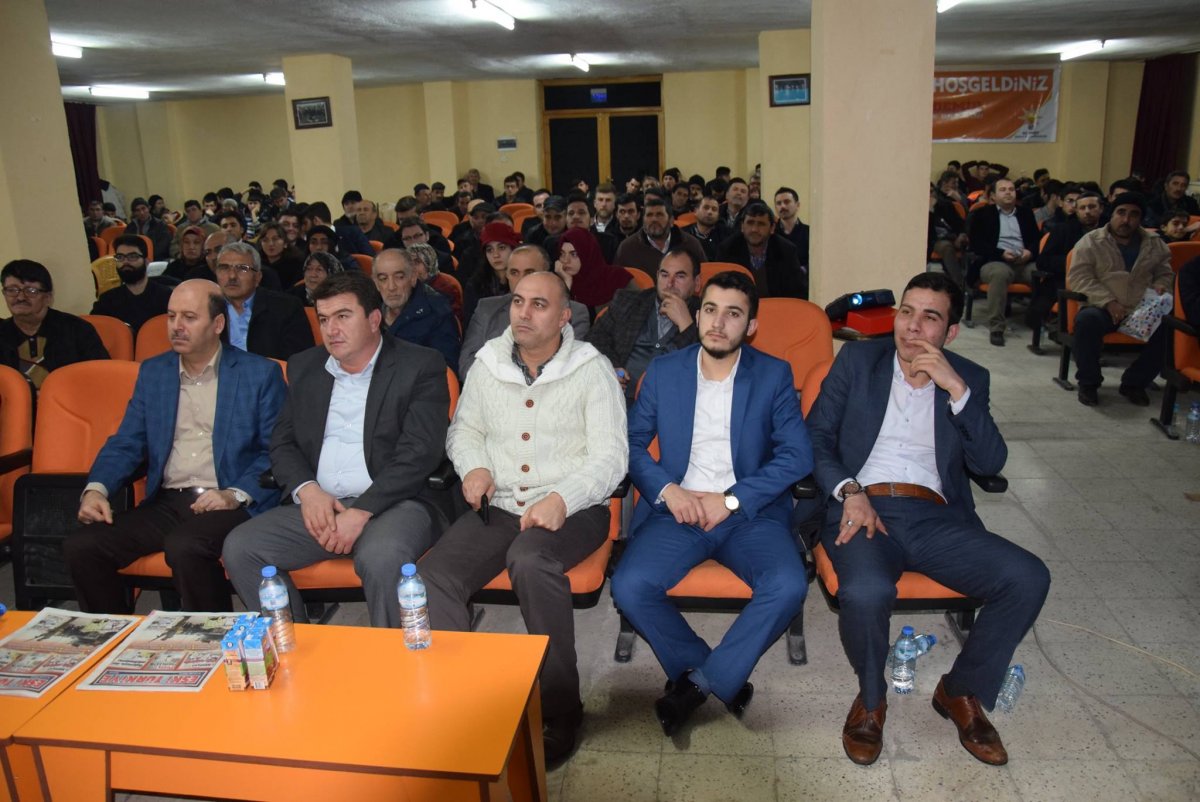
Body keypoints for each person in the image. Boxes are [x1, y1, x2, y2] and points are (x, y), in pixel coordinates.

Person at [806, 272, 1050, 767]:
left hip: (936, 516)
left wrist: (956, 389)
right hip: (863, 507)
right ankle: (872, 698)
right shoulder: (858, 361)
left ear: (950, 332)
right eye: (906, 312)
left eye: (930, 317)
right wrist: (850, 490)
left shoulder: (969, 378)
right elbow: (815, 439)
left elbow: (990, 463)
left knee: (1028, 577)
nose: (912, 327)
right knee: (867, 590)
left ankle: (959, 690)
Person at [419, 270, 627, 765]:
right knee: (435, 576)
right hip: (501, 505)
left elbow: (612, 457)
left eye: (539, 304)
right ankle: (464, 698)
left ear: (564, 316)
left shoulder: (591, 369)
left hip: (576, 508)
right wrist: (474, 467)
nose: (524, 313)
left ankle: (561, 708)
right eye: (517, 302)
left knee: (530, 561)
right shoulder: (487, 363)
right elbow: (464, 431)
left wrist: (563, 497)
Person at [612, 270, 812, 736]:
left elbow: (798, 454)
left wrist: (735, 499)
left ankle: (698, 685)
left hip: (749, 513)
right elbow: (632, 443)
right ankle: (721, 675)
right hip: (678, 509)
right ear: (697, 314)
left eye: (733, 313)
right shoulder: (665, 371)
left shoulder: (773, 375)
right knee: (629, 586)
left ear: (751, 325)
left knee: (787, 585)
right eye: (710, 310)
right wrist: (668, 490)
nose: (718, 323)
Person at [222, 270, 450, 628]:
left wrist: (361, 512)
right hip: (322, 504)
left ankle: (396, 655)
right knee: (241, 547)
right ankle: (292, 644)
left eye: (343, 316)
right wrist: (308, 491)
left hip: (396, 502)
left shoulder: (419, 365)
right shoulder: (305, 366)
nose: (331, 329)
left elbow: (419, 453)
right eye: (324, 319)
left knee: (381, 556)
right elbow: (283, 442)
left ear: (373, 319)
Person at [64, 280, 286, 613]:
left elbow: (277, 449)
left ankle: (211, 636)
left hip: (230, 499)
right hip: (169, 500)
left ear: (218, 324)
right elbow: (127, 441)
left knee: (185, 546)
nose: (176, 326)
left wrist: (234, 494)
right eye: (171, 316)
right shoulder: (154, 372)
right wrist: (96, 489)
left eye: (189, 317)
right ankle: (113, 635)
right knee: (83, 546)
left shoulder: (259, 374)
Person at [1067, 193, 1174, 407]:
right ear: (1112, 214)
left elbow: (1165, 273)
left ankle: (1135, 383)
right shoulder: (1091, 241)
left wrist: (1162, 284)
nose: (1126, 220)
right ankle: (1089, 382)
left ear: (1140, 218)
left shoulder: (1155, 243)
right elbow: (1079, 278)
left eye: (1133, 215)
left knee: (1171, 327)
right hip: (1101, 306)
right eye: (1121, 213)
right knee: (1087, 321)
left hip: (1141, 308)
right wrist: (1108, 301)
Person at [586, 248, 700, 405]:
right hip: (619, 400)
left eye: (680, 276)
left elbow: (707, 367)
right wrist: (611, 367)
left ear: (697, 283)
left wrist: (686, 325)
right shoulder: (628, 302)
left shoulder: (707, 315)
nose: (670, 283)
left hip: (672, 404)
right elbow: (594, 338)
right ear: (657, 276)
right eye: (664, 275)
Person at [459, 245, 590, 380]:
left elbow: (569, 366)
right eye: (514, 272)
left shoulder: (575, 312)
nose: (522, 279)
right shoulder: (486, 309)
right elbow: (467, 365)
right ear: (507, 275)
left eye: (529, 273)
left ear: (546, 274)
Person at [1, 259, 108, 388]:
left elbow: (102, 377)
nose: (20, 297)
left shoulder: (78, 330)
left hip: (69, 398)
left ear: (48, 298)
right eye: (12, 290)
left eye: (31, 291)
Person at [966, 177, 1040, 346]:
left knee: (1039, 273)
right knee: (1000, 273)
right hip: (994, 260)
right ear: (993, 196)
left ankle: (1039, 320)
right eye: (1003, 190)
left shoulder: (1026, 214)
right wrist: (1001, 254)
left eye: (1011, 190)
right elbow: (976, 244)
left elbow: (1037, 240)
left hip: (1022, 261)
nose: (1008, 193)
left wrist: (1030, 252)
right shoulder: (982, 214)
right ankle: (997, 327)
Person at [216, 241, 314, 361]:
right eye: (224, 268)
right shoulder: (208, 307)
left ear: (258, 277)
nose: (232, 276)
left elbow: (300, 360)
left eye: (242, 268)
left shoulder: (286, 308)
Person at [375, 248, 460, 374]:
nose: (391, 287)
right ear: (376, 283)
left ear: (413, 277)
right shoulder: (367, 309)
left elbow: (446, 370)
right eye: (383, 279)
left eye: (399, 277)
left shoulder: (437, 312)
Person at [716, 201, 807, 299]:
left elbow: (797, 292)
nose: (754, 229)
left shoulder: (786, 251)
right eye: (750, 223)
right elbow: (720, 289)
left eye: (761, 224)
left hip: (776, 306)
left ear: (772, 228)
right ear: (742, 226)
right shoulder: (727, 249)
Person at [91, 235, 172, 336]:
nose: (125, 262)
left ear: (147, 261)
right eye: (120, 257)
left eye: (132, 257)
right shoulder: (106, 300)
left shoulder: (166, 297)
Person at [614, 196, 707, 278]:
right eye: (649, 215)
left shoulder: (691, 245)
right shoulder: (627, 248)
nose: (654, 219)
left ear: (671, 221)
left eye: (659, 215)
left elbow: (703, 278)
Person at [554, 227, 633, 314]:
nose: (565, 260)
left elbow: (640, 311)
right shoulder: (556, 283)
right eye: (562, 254)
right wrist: (567, 285)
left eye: (574, 254)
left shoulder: (617, 278)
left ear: (588, 254)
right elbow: (559, 319)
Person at [123, 197, 173, 262]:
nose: (142, 213)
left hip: (156, 259)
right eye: (137, 210)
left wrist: (146, 257)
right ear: (134, 213)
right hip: (135, 259)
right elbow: (126, 245)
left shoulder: (160, 225)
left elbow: (163, 246)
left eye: (143, 208)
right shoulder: (130, 227)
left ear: (148, 208)